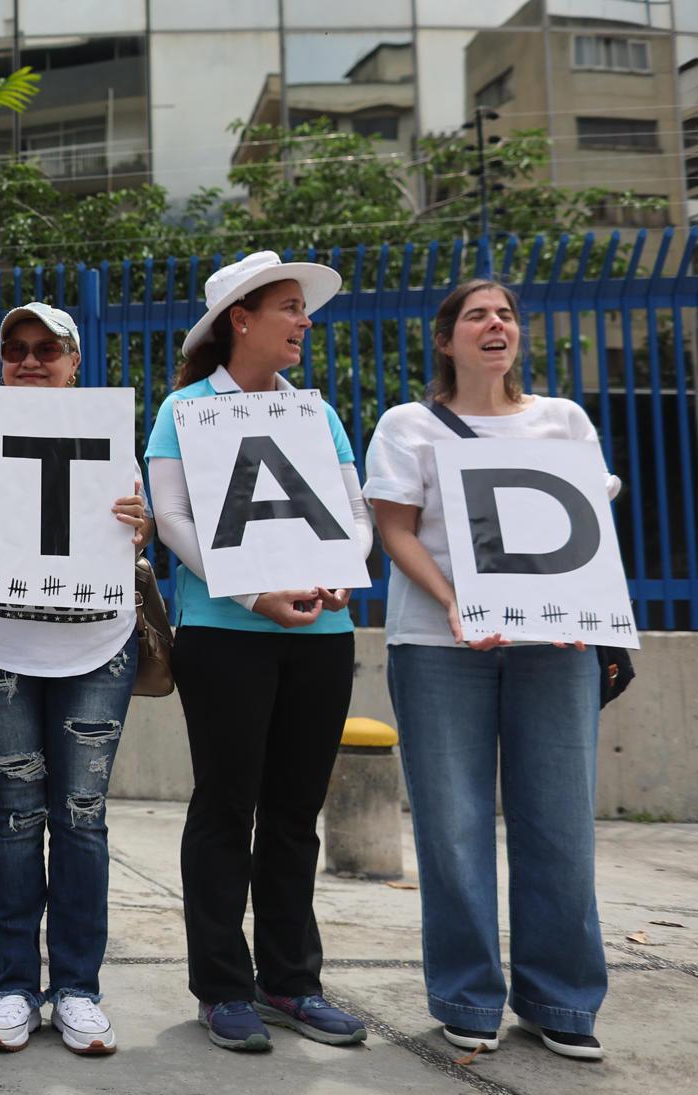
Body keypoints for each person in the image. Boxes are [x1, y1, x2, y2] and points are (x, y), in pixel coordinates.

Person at [365, 279, 615, 1061]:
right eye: (475, 315)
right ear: (445, 339)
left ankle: (561, 1000)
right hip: (439, 648)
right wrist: (454, 603)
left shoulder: (562, 421)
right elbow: (393, 530)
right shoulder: (407, 425)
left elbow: (587, 526)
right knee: (454, 827)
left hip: (553, 650)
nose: (494, 323)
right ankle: (467, 997)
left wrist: (582, 606)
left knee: (560, 821)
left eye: (504, 313)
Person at [145, 251, 371, 1052]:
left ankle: (289, 980)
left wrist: (345, 569)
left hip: (321, 636)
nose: (303, 322)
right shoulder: (183, 410)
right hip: (223, 636)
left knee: (293, 813)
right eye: (287, 307)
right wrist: (251, 594)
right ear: (239, 318)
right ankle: (221, 986)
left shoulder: (316, 413)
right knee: (224, 808)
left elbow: (351, 505)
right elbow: (170, 518)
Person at [0, 303, 152, 1055]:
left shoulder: (112, 431)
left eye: (44, 350)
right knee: (15, 816)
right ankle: (14, 987)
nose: (28, 360)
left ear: (73, 359)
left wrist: (140, 524)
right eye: (14, 349)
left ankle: (78, 988)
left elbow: (136, 526)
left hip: (98, 648)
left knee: (80, 815)